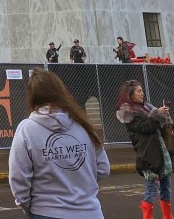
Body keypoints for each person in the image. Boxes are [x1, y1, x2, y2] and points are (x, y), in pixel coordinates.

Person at [9, 70, 110, 219]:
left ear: (32, 96)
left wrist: (27, 206)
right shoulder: (83, 124)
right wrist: (80, 186)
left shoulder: (26, 129)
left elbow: (18, 178)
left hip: (46, 211)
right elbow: (103, 168)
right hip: (89, 211)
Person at [116, 79, 174, 219]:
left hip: (161, 151)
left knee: (166, 185)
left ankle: (168, 216)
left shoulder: (147, 107)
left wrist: (165, 116)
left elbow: (158, 127)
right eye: (139, 91)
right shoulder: (128, 113)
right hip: (148, 154)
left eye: (142, 90)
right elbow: (145, 128)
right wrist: (157, 114)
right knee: (151, 187)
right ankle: (147, 217)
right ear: (131, 95)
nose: (142, 93)